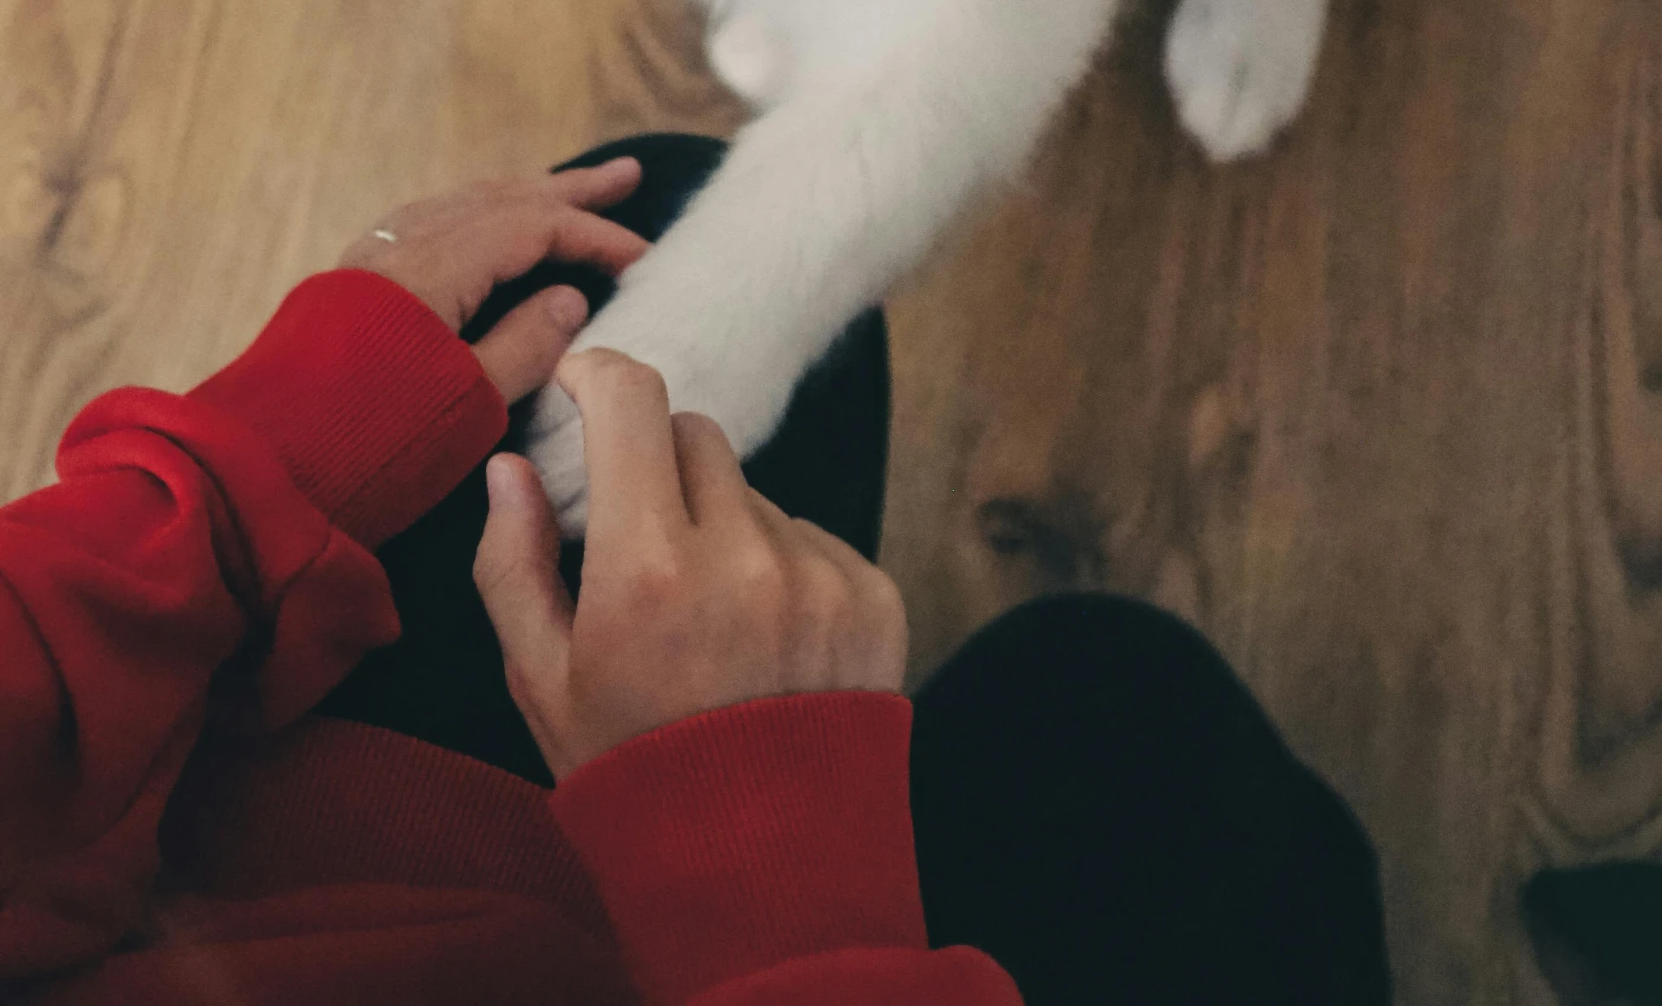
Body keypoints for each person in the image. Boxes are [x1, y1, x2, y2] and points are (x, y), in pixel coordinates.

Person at [0, 134, 1393, 1005]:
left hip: (228, 840)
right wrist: (770, 886)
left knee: (659, 219)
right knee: (1125, 719)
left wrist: (236, 478)